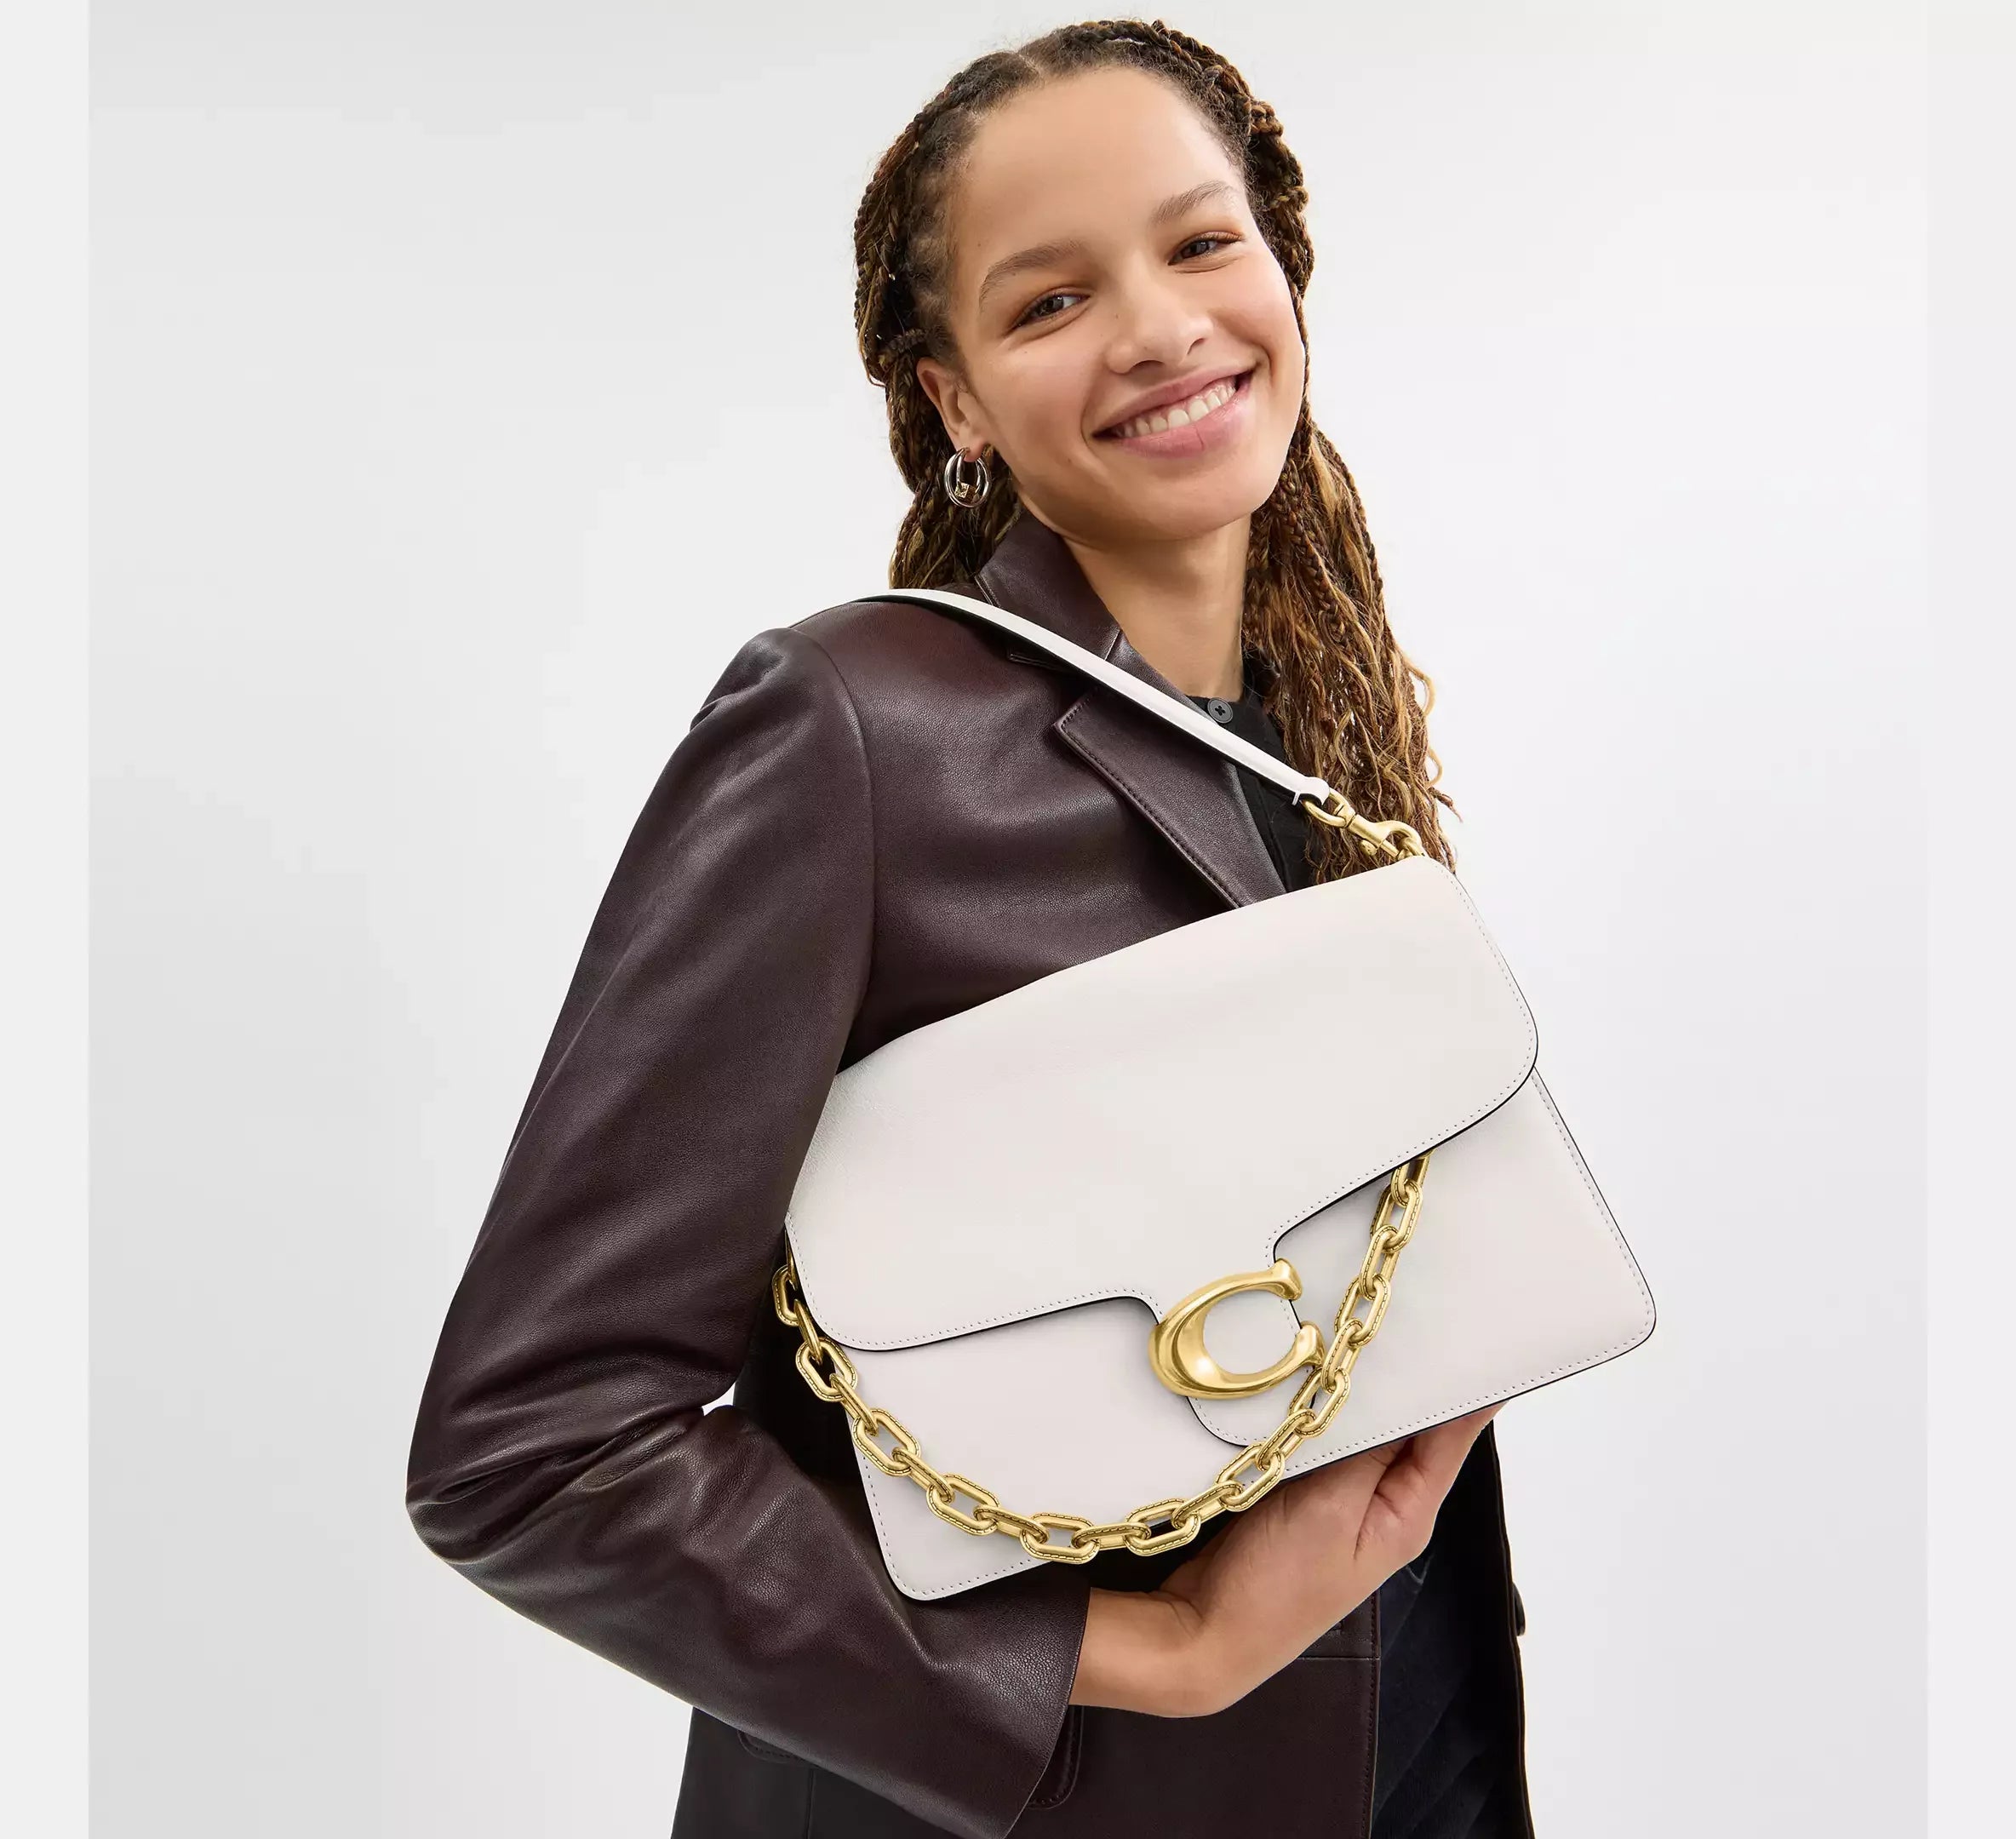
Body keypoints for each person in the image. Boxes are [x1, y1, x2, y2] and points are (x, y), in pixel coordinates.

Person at [405, 18, 1532, 1838]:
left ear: (1281, 270)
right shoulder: (849, 729)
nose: (1157, 327)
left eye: (1199, 243)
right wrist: (1157, 1649)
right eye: (1049, 301)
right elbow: (532, 1452)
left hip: (1412, 1757)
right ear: (955, 402)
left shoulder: (1320, 735)